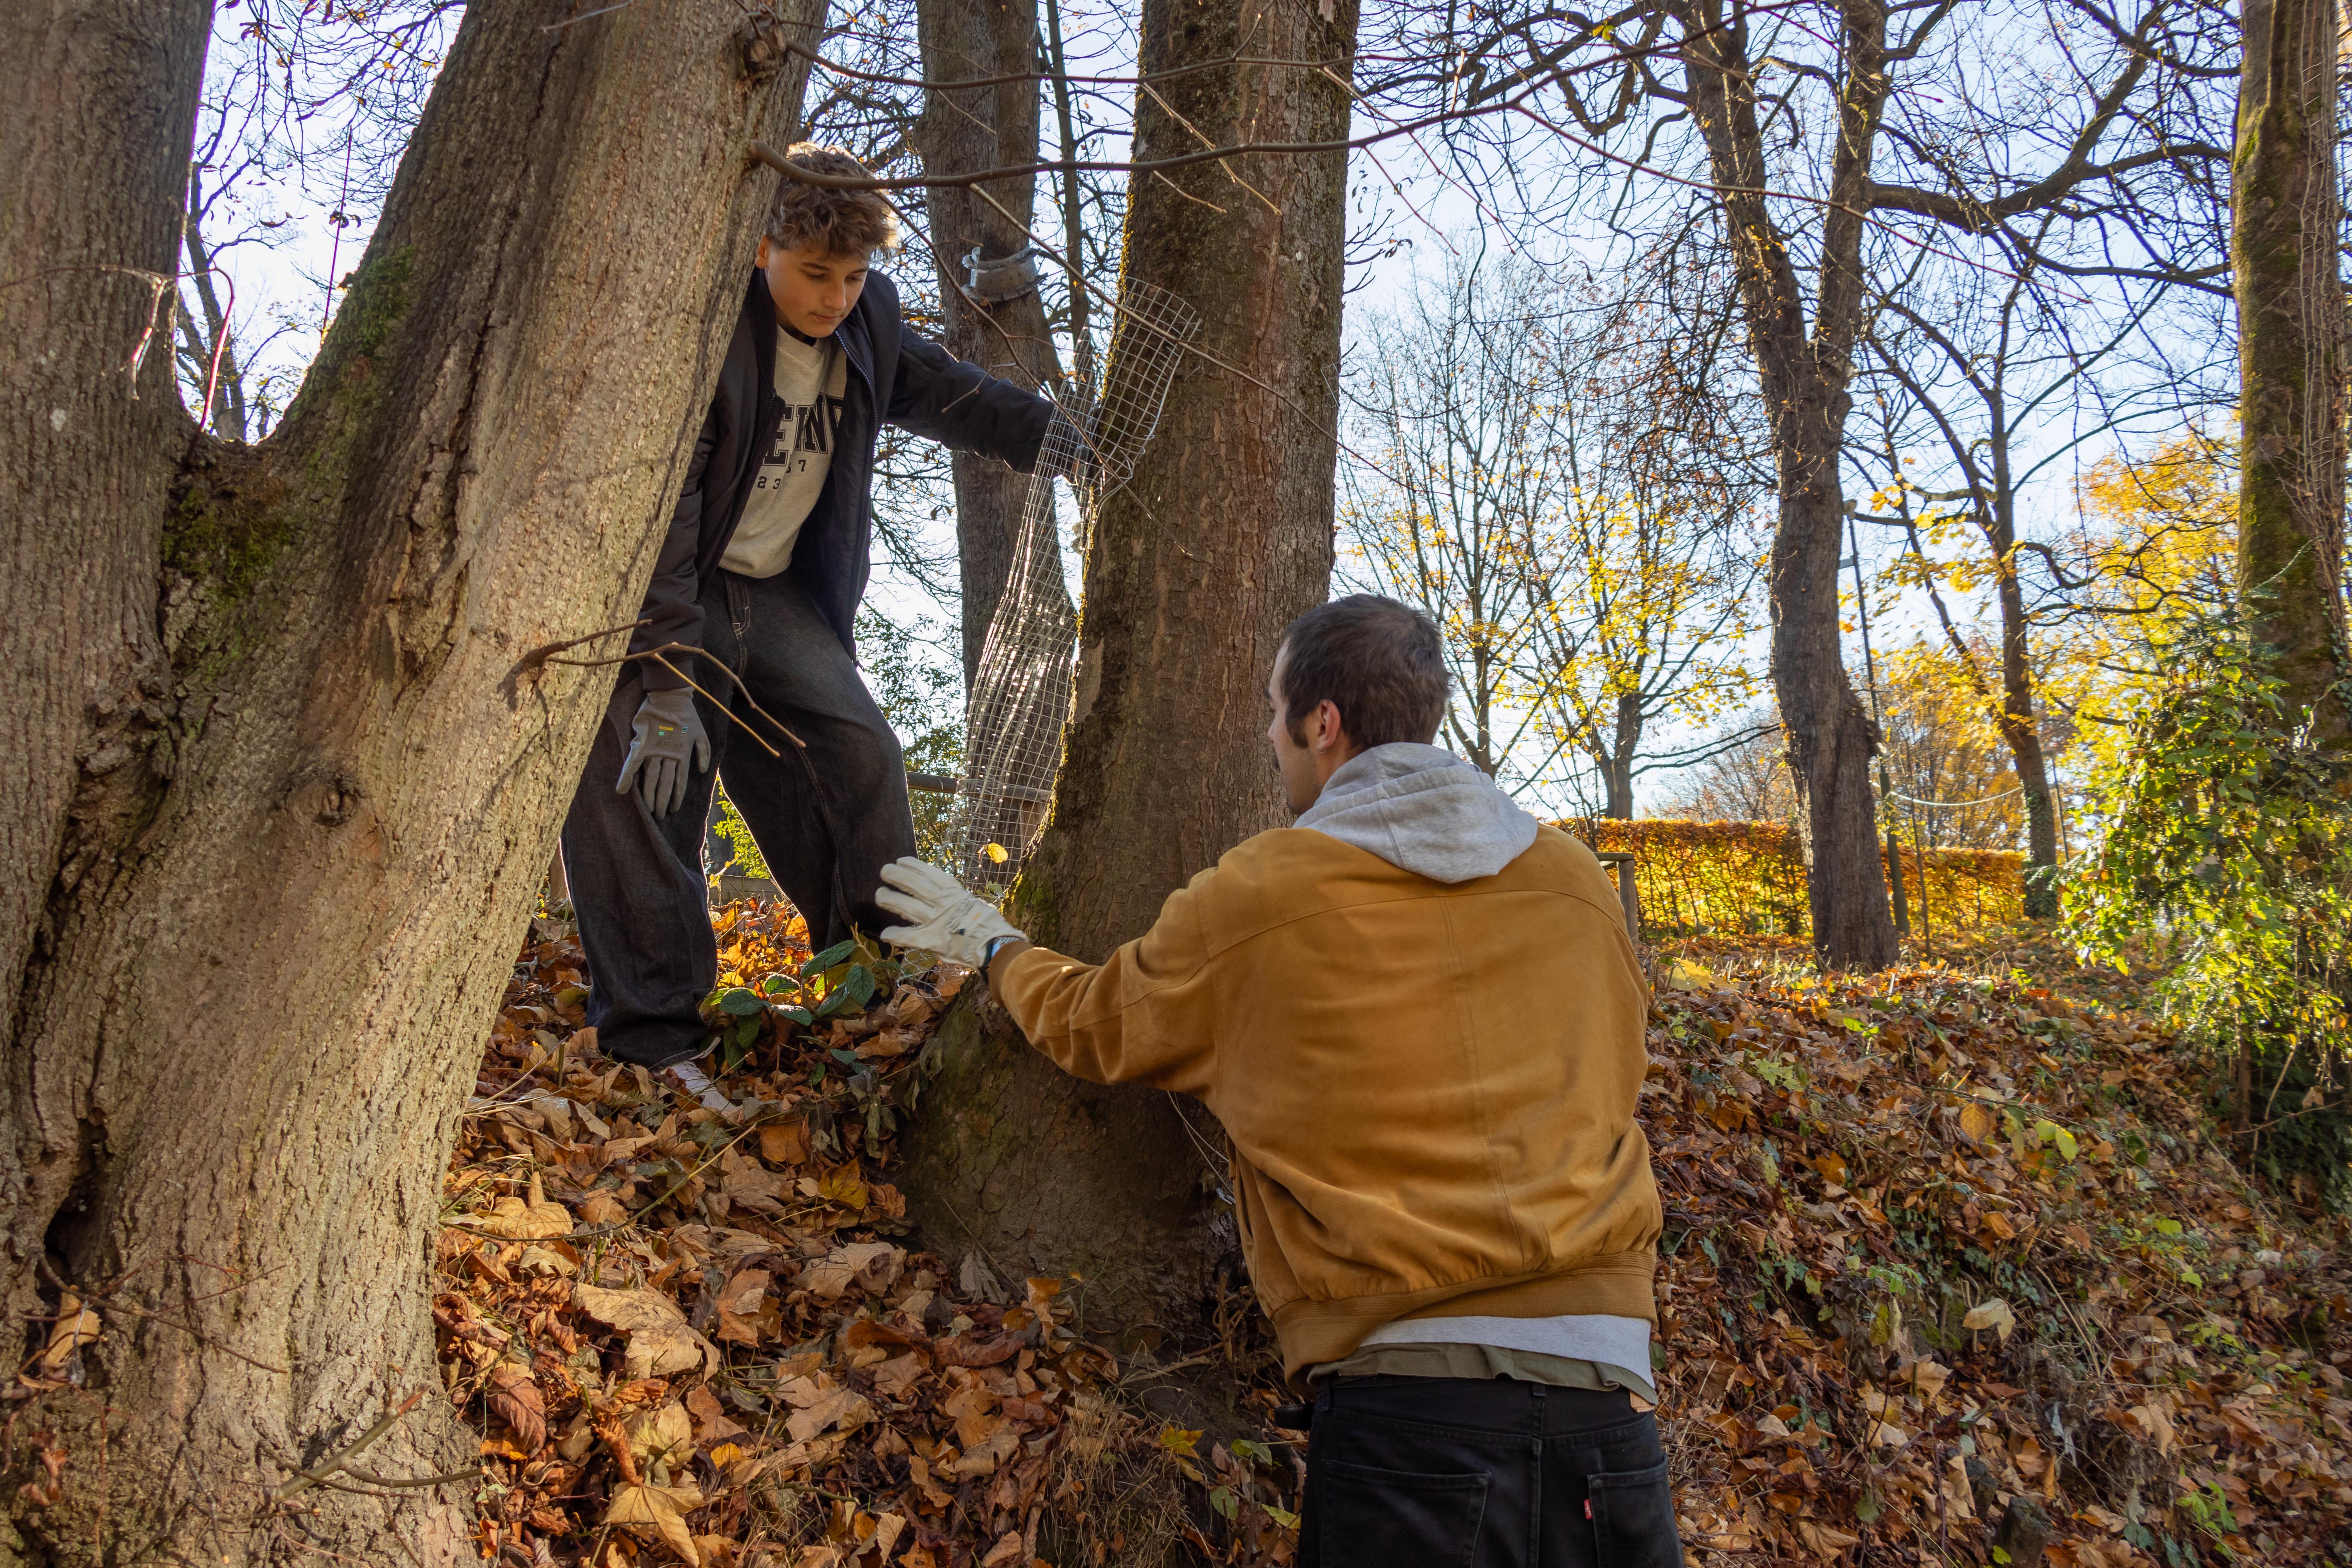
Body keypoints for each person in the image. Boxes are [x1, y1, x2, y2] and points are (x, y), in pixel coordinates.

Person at [873, 594, 1682, 1567]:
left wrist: (991, 943)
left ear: (1321, 723)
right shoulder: (1574, 881)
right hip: (1612, 1411)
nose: (1267, 734)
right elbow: (1620, 1066)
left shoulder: (1263, 892)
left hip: (1410, 1411)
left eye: (1272, 709)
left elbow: (1098, 1024)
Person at [561, 143, 1071, 1103]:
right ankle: (654, 1040)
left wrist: (1049, 436)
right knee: (652, 784)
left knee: (863, 754)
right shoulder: (712, 327)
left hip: (782, 592)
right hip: (675, 593)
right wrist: (667, 680)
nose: (834, 297)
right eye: (814, 274)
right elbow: (664, 515)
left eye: (853, 276)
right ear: (763, 250)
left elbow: (946, 386)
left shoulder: (865, 321)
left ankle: (873, 990)